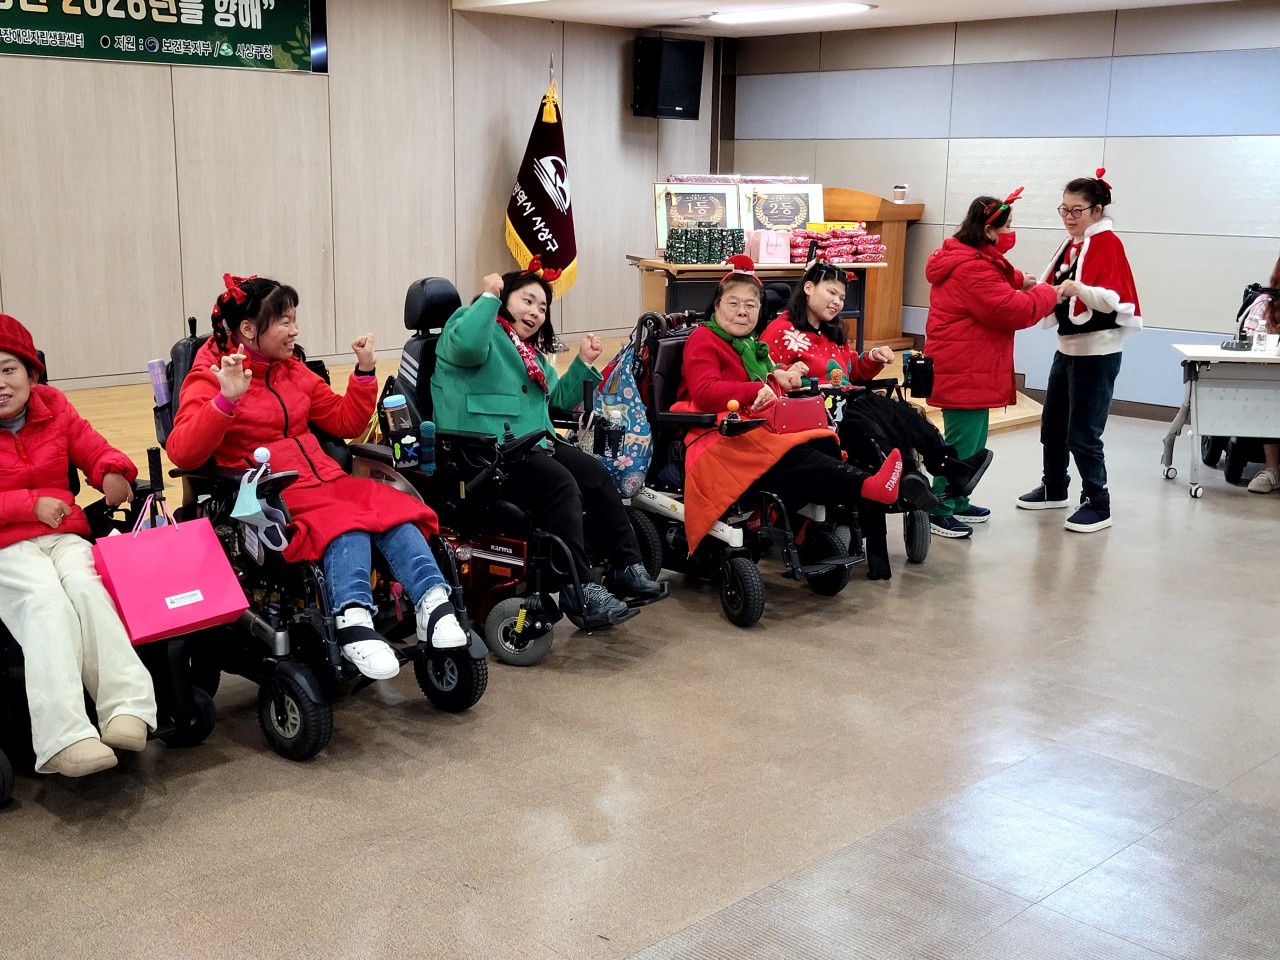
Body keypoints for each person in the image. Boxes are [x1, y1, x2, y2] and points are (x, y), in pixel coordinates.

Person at [167, 275, 466, 682]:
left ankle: (434, 602)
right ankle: (352, 620)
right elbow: (183, 451)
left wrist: (364, 372)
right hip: (271, 493)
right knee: (345, 523)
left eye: (294, 320)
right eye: (285, 322)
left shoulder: (294, 372)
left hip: (324, 479)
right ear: (249, 329)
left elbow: (345, 421)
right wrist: (226, 399)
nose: (295, 331)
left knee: (395, 510)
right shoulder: (211, 376)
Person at [431, 260, 664, 626]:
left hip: (532, 445)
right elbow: (467, 349)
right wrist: (488, 297)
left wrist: (584, 363)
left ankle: (624, 565)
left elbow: (555, 400)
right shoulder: (467, 325)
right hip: (485, 454)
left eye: (542, 308)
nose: (536, 313)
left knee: (595, 474)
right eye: (527, 301)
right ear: (504, 299)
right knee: (560, 484)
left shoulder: (529, 353)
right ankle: (577, 587)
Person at [674, 256, 935, 579]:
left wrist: (782, 377)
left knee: (824, 441)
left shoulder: (751, 344)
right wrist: (760, 388)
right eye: (733, 303)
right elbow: (704, 392)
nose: (742, 311)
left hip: (756, 422)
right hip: (718, 431)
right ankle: (867, 486)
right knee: (796, 453)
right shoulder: (705, 339)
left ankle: (820, 516)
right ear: (716, 305)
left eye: (751, 305)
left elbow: (780, 376)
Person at [0, 314, 157, 778]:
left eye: (8, 370)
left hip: (63, 534)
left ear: (32, 374)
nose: (0, 384)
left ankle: (127, 708)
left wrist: (112, 470)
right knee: (46, 604)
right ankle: (64, 737)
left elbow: (92, 446)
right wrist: (29, 504)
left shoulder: (54, 405)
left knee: (89, 589)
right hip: (7, 547)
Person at [761, 258, 992, 510]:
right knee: (869, 425)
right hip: (814, 408)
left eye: (841, 297)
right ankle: (908, 478)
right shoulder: (781, 330)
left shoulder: (833, 331)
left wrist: (873, 357)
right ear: (808, 287)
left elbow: (852, 370)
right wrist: (789, 373)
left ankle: (951, 469)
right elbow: (766, 372)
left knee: (905, 416)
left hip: (849, 398)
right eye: (831, 292)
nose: (837, 302)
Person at [925, 188, 1058, 539]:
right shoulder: (971, 268)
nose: (1011, 233)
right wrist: (1048, 293)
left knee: (975, 439)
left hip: (974, 365)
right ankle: (938, 508)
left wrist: (1020, 280)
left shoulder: (968, 256)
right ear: (988, 231)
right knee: (960, 444)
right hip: (963, 367)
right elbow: (1010, 309)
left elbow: (994, 273)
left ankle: (958, 500)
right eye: (1008, 226)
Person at [1017, 169, 1142, 532]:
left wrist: (1078, 289)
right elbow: (1053, 287)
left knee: (1084, 433)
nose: (1069, 217)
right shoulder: (1072, 245)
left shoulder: (1107, 244)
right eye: (1064, 209)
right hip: (1067, 348)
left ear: (1097, 210)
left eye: (1077, 210)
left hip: (1097, 352)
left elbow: (1112, 298)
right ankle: (1054, 487)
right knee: (1053, 425)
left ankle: (1098, 502)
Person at [1241, 254, 1280, 493]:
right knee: (1270, 397)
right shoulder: (1265, 302)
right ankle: (1272, 469)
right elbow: (1250, 338)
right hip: (1272, 378)